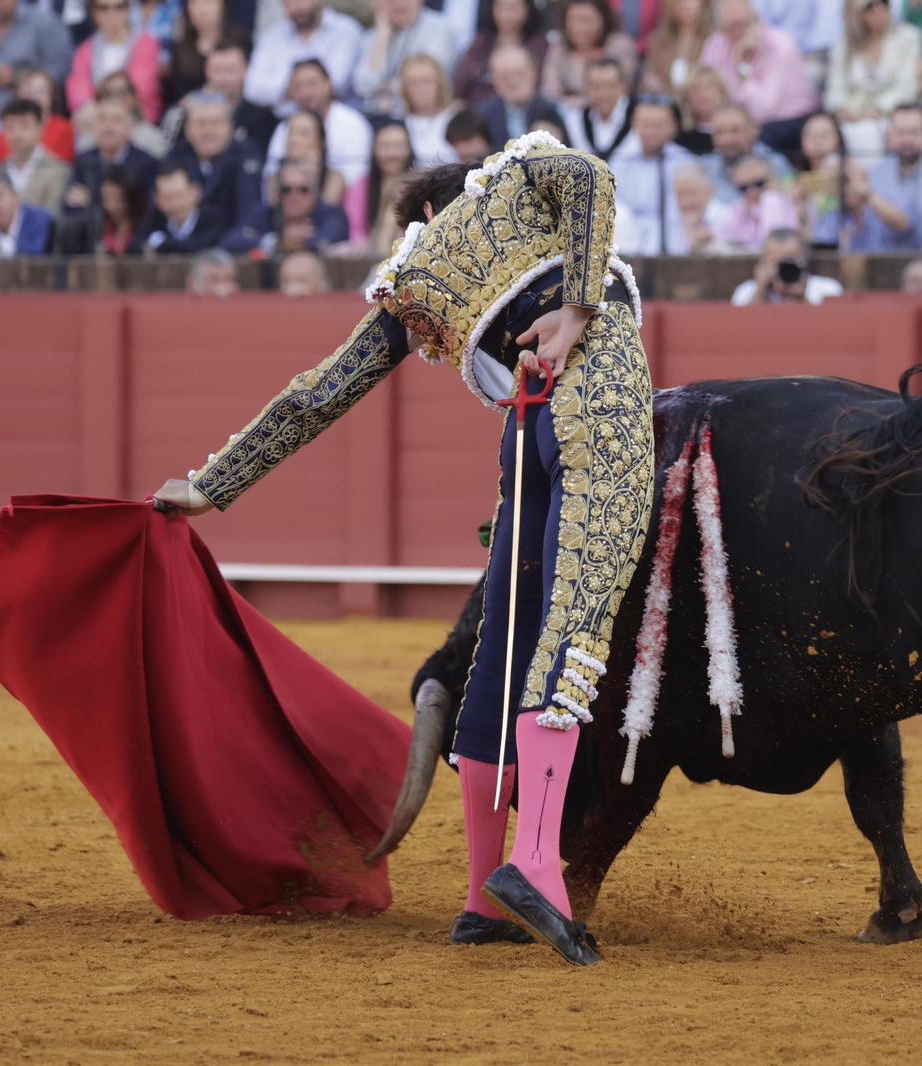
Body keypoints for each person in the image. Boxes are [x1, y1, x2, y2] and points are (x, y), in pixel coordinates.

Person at [153, 141, 654, 969]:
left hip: (524, 436)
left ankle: (480, 900)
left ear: (423, 211)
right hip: (597, 399)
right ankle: (534, 862)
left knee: (502, 642)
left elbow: (322, 390)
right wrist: (579, 305)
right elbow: (594, 174)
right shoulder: (522, 177)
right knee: (576, 623)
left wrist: (212, 485)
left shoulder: (409, 282)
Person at [699, 0, 821, 142]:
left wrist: (741, 63)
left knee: (749, 137)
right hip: (737, 122)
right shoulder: (716, 43)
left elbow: (761, 111)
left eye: (743, 24)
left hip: (787, 123)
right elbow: (705, 88)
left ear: (756, 20)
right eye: (730, 27)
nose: (738, 32)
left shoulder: (780, 45)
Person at [825, 0, 922, 163]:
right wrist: (841, 109)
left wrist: (876, 111)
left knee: (866, 131)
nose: (878, 9)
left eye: (883, 3)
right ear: (859, 13)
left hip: (890, 114)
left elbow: (907, 87)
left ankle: (871, 183)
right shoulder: (845, 44)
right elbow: (835, 87)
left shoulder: (908, 37)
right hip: (850, 115)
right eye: (870, 5)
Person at [847, 104, 922, 250]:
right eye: (901, 133)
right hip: (883, 261)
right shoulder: (874, 173)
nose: (907, 140)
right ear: (889, 136)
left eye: (914, 132)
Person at [609, 97, 695, 254]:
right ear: (634, 123)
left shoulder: (685, 161)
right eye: (646, 125)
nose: (652, 132)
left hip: (674, 242)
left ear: (673, 126)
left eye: (659, 125)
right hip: (627, 242)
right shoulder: (620, 161)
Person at [165, 91, 262, 231]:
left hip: (232, 243)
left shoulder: (246, 154)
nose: (208, 131)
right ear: (187, 130)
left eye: (216, 123)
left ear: (229, 127)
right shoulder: (176, 157)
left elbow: (248, 212)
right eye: (200, 124)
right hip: (185, 244)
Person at [267, 60, 372, 187]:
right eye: (297, 87)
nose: (305, 92)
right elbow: (270, 175)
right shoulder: (284, 127)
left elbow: (355, 180)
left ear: (329, 85)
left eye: (311, 84)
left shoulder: (353, 124)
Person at [243, 0, 362, 109]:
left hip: (337, 115)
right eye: (288, 3)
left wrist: (289, 89)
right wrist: (292, 89)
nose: (295, 9)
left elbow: (336, 83)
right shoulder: (273, 35)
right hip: (283, 122)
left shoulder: (346, 30)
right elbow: (252, 88)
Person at [66, 0, 163, 129]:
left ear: (128, 9)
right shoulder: (85, 50)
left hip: (138, 121)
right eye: (104, 8)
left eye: (119, 7)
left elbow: (142, 86)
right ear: (93, 12)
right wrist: (87, 106)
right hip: (96, 122)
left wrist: (109, 109)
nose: (112, 13)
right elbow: (78, 87)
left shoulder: (147, 43)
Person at [225, 156, 349, 254]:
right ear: (275, 194)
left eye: (303, 190)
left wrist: (302, 241)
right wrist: (276, 241)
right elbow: (230, 240)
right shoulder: (264, 213)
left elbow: (330, 237)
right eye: (286, 190)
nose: (294, 197)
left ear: (314, 193)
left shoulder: (332, 214)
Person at [354, 0, 456, 115]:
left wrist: (384, 88)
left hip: (424, 114)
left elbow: (425, 82)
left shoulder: (438, 28)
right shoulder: (373, 35)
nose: (398, 4)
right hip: (378, 115)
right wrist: (382, 36)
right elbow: (364, 85)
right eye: (390, 1)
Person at [66, 96, 157, 220]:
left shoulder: (147, 164)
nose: (108, 127)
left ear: (129, 127)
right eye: (102, 120)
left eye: (116, 120)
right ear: (93, 126)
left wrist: (92, 201)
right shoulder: (84, 160)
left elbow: (143, 210)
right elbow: (71, 205)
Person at [542, 0, 638, 112]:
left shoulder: (620, 45)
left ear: (603, 19)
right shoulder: (559, 48)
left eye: (586, 20)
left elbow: (622, 90)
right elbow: (549, 92)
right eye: (573, 20)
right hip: (564, 115)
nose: (579, 27)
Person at [453, 0, 548, 108]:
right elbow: (462, 81)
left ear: (527, 9)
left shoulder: (538, 44)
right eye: (502, 7)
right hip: (477, 110)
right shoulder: (481, 41)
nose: (507, 14)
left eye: (514, 8)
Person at [342, 118, 413, 251]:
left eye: (398, 146)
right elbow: (356, 229)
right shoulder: (361, 186)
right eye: (385, 146)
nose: (392, 154)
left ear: (409, 149)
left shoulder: (421, 185)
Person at [166, 0, 253, 107]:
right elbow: (174, 96)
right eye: (195, 3)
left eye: (208, 2)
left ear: (222, 5)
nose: (202, 10)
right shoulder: (179, 48)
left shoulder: (241, 40)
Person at [477, 43, 564, 147]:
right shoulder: (483, 116)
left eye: (518, 73)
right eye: (504, 76)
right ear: (494, 80)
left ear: (533, 73)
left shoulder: (554, 112)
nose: (512, 81)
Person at [197, 42, 276, 155]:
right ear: (206, 71)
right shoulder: (189, 114)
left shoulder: (263, 118)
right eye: (217, 69)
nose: (223, 77)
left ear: (245, 70)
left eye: (230, 70)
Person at [701, 103, 793, 200]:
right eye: (719, 132)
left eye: (735, 130)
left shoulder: (776, 164)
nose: (727, 139)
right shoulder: (703, 169)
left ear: (753, 130)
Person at [731, 226, 845, 303]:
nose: (783, 269)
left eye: (789, 262)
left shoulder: (828, 289)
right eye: (776, 263)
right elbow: (740, 327)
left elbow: (830, 328)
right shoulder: (747, 291)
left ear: (804, 259)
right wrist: (760, 291)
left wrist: (802, 298)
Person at [714, 152, 800, 251]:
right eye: (743, 188)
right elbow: (715, 236)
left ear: (775, 179)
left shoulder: (787, 203)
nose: (752, 192)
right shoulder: (740, 207)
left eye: (759, 183)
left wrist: (770, 197)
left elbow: (771, 241)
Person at [60, 161, 149, 253]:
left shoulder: (144, 229)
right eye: (106, 198)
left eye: (118, 199)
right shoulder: (96, 227)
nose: (112, 206)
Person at [0, 98, 70, 212]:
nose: (17, 134)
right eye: (10, 127)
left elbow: (51, 216)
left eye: (24, 126)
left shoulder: (58, 171)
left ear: (40, 128)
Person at [140, 161, 228, 252]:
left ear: (196, 191)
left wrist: (161, 243)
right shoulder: (153, 221)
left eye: (179, 196)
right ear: (156, 199)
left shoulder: (214, 220)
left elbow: (199, 247)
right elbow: (136, 244)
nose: (175, 204)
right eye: (167, 198)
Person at [562, 57, 635, 159]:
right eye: (596, 87)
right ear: (586, 88)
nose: (603, 94)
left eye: (609, 86)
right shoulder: (574, 121)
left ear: (623, 87)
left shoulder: (638, 118)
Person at [793, 111, 847, 246]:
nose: (817, 141)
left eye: (825, 134)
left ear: (838, 139)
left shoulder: (850, 174)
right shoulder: (792, 180)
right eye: (810, 135)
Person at [270, 108, 345, 203]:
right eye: (291, 132)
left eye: (303, 133)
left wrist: (311, 171)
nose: (293, 139)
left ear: (320, 142)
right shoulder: (275, 177)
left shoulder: (333, 177)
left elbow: (325, 211)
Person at [641, 0, 711, 101]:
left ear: (703, 4)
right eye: (679, 1)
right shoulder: (658, 41)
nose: (685, 4)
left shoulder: (712, 40)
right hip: (665, 106)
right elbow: (649, 81)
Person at [401, 53, 456, 165]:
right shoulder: (398, 123)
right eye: (413, 83)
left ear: (439, 84)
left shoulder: (455, 119)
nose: (421, 89)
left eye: (426, 81)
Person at [669, 161, 735, 253]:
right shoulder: (668, 221)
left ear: (709, 191)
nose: (686, 202)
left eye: (692, 193)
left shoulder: (728, 217)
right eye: (680, 194)